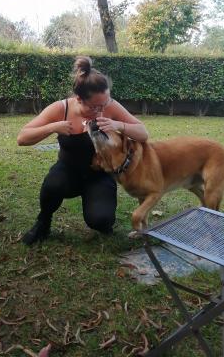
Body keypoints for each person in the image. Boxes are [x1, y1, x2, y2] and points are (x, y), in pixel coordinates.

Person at [17, 56, 148, 245]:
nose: (101, 110)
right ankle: (43, 221)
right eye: (96, 107)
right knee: (52, 185)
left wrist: (117, 124)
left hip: (99, 175)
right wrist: (53, 127)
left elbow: (143, 133)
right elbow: (22, 138)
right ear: (79, 99)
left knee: (102, 221)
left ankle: (100, 213)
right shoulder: (61, 108)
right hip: (67, 171)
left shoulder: (109, 107)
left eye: (105, 104)